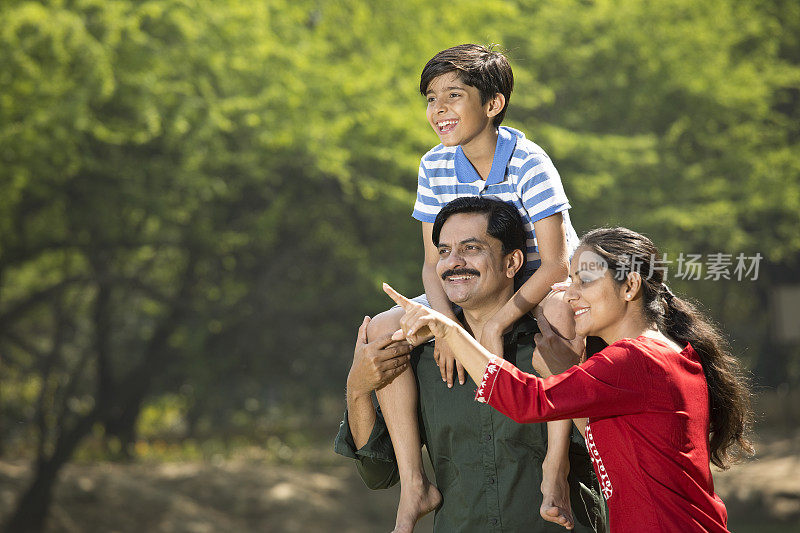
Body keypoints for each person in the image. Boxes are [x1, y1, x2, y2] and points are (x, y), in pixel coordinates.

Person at [385, 227, 754, 532]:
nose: (570, 293)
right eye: (572, 279)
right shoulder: (668, 355)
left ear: (630, 287)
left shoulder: (635, 360)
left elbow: (527, 401)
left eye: (587, 281)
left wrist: (449, 331)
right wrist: (564, 372)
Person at [365, 43, 581, 532]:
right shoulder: (433, 165)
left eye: (453, 96)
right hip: (472, 286)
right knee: (383, 329)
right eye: (430, 98)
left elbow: (558, 263)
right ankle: (416, 483)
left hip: (539, 281)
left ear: (492, 103)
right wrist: (444, 328)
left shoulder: (529, 162)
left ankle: (555, 466)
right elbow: (430, 263)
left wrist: (499, 324)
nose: (439, 110)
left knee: (564, 317)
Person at [335, 198, 606, 532]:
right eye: (444, 251)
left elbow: (614, 455)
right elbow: (378, 474)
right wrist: (358, 389)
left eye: (471, 248)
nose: (454, 263)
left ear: (512, 263)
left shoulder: (561, 346)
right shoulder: (420, 358)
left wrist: (565, 382)